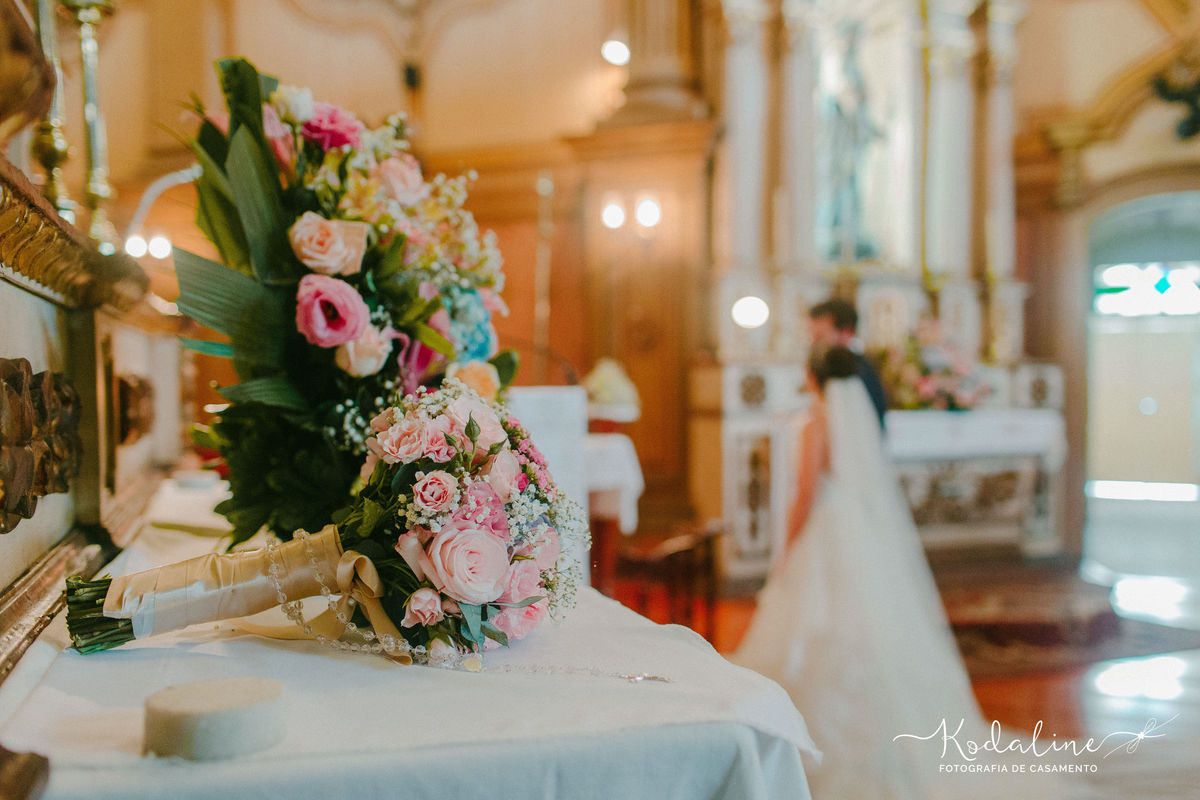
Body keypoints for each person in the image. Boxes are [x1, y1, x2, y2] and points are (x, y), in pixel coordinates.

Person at [730, 347, 1084, 799]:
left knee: (816, 627)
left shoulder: (816, 418)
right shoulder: (857, 419)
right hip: (856, 529)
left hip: (825, 528)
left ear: (814, 377)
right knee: (865, 624)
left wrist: (784, 550)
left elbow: (804, 491)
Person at [808, 298, 887, 427]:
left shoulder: (858, 371)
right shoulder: (825, 368)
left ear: (847, 332)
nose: (813, 344)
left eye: (820, 336)